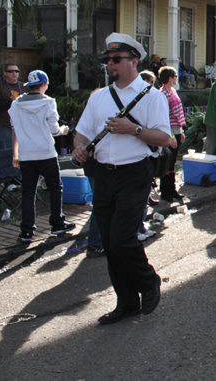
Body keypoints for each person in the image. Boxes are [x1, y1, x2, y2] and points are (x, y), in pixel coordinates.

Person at [72, 33, 171, 325]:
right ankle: (126, 302)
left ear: (134, 61)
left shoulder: (152, 96)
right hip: (103, 174)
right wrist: (79, 146)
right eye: (108, 60)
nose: (110, 65)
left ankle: (149, 281)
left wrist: (133, 129)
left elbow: (165, 138)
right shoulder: (98, 97)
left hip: (134, 173)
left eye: (116, 60)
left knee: (121, 238)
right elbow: (83, 131)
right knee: (108, 242)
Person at [9, 70, 72, 242]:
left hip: (26, 155)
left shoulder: (16, 104)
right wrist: (63, 130)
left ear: (29, 86)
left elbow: (14, 130)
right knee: (54, 187)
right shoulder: (48, 102)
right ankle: (57, 224)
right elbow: (54, 130)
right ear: (44, 85)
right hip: (45, 152)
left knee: (28, 192)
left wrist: (15, 155)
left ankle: (27, 231)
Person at [158, 66, 186, 203]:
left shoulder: (173, 91)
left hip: (176, 129)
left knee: (173, 161)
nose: (176, 78)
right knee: (167, 161)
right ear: (170, 78)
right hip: (169, 131)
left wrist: (180, 131)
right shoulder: (163, 94)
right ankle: (165, 190)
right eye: (175, 76)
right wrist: (171, 136)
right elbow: (163, 117)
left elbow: (178, 113)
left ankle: (172, 189)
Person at [0, 63, 25, 150]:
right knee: (6, 151)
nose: (14, 73)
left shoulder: (24, 86)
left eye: (16, 71)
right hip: (4, 125)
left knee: (22, 151)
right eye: (11, 71)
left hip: (22, 125)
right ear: (5, 73)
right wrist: (10, 103)